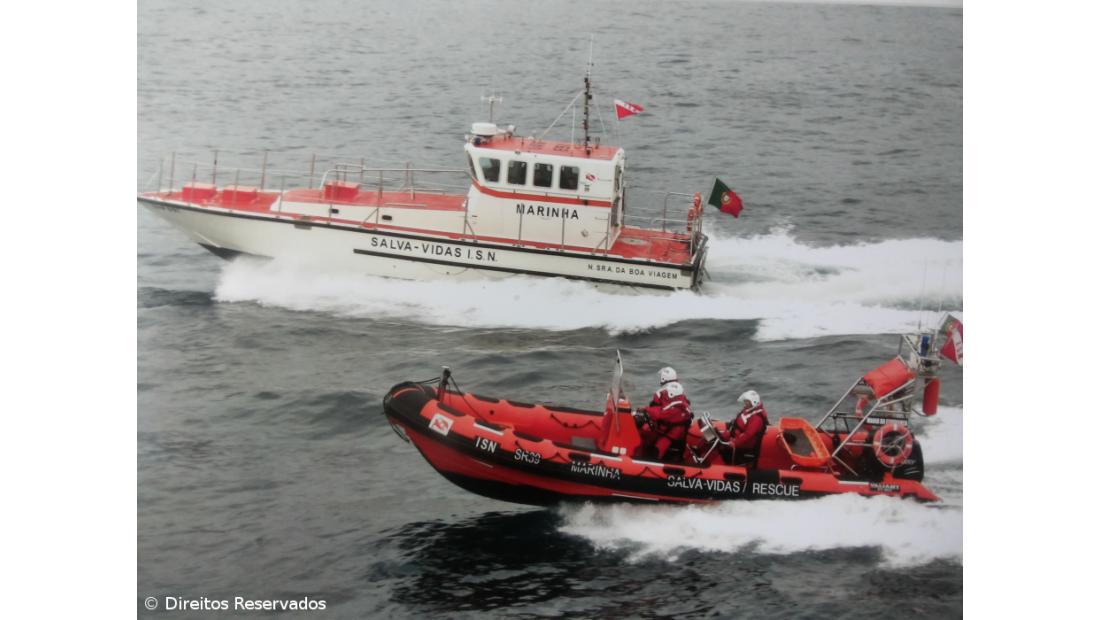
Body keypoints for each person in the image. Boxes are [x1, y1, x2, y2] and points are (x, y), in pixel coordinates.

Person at [635, 367, 693, 462]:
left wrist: (645, 410)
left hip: (668, 433)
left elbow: (659, 413)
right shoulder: (681, 397)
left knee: (651, 446)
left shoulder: (667, 401)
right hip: (676, 433)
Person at [723, 390, 770, 466]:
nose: (745, 403)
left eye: (747, 401)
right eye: (745, 401)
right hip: (737, 435)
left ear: (753, 402)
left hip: (745, 445)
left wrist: (735, 442)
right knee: (717, 435)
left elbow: (748, 435)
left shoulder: (756, 418)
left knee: (722, 443)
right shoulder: (749, 410)